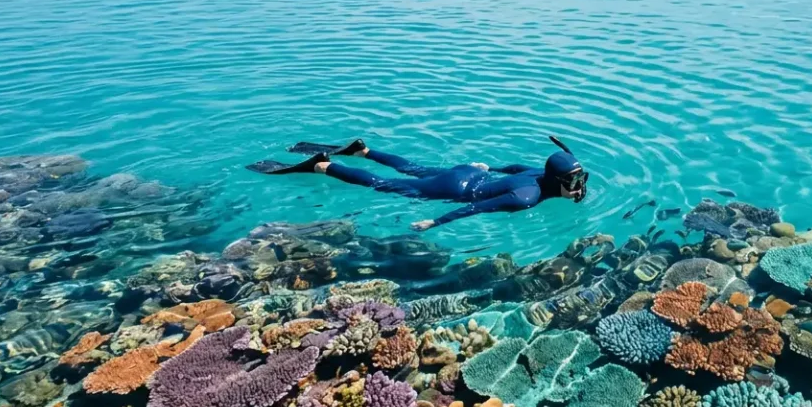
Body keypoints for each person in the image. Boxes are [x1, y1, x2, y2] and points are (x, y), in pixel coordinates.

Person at [248, 136, 588, 231]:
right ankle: (324, 166)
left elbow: (515, 165)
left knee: (412, 167)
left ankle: (363, 150)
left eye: (581, 179)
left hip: (468, 172)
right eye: (574, 180)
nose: (578, 186)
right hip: (455, 190)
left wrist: (490, 165)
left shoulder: (536, 175)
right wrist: (435, 221)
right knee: (386, 186)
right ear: (557, 179)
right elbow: (475, 207)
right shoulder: (526, 197)